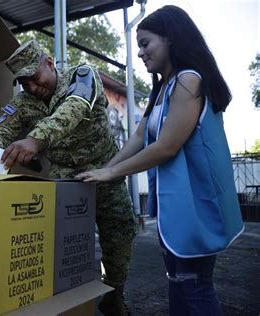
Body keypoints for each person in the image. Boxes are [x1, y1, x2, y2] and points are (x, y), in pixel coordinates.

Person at [76, 5, 244, 315]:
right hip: (177, 208)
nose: (140, 53)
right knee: (177, 280)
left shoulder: (189, 80)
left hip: (197, 205)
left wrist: (112, 173)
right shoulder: (163, 88)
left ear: (170, 39)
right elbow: (139, 138)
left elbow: (166, 147)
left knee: (195, 284)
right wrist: (103, 169)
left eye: (145, 43)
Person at [0, 40, 137, 315]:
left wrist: (35, 140)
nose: (32, 87)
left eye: (35, 77)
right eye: (24, 83)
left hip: (105, 172)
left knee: (119, 235)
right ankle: (69, 298)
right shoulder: (24, 102)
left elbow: (73, 109)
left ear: (49, 64)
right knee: (64, 242)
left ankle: (114, 294)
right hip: (66, 180)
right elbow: (3, 126)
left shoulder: (83, 75)